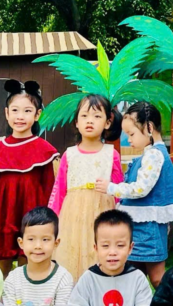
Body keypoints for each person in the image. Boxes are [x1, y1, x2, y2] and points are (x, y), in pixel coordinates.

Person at [0, 80, 57, 274]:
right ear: (7, 113)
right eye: (15, 110)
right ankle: (1, 290)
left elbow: (49, 185)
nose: (20, 116)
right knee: (1, 257)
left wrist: (49, 215)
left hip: (33, 209)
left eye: (27, 111)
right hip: (3, 211)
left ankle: (27, 287)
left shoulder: (44, 149)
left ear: (37, 114)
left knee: (29, 253)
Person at [107, 102, 173, 287]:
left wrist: (111, 188)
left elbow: (141, 188)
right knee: (138, 275)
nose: (129, 140)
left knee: (155, 277)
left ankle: (172, 302)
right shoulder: (150, 153)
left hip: (149, 226)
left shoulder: (153, 155)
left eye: (132, 134)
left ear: (149, 127)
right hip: (142, 224)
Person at [50, 94, 125, 282]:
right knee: (71, 258)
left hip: (102, 213)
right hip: (72, 217)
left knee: (99, 254)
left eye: (97, 116)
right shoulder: (69, 154)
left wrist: (120, 218)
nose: (90, 121)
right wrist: (53, 220)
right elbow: (59, 190)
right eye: (84, 116)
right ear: (76, 122)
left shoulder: (111, 154)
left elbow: (119, 190)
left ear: (107, 123)